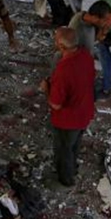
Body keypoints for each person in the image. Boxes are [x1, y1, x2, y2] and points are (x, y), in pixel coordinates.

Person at [39, 27, 95, 189]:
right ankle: (73, 166)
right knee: (74, 145)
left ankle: (66, 179)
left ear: (62, 46)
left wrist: (46, 88)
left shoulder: (63, 71)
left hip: (67, 120)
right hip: (85, 112)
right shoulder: (85, 55)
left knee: (63, 150)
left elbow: (55, 104)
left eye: (55, 40)